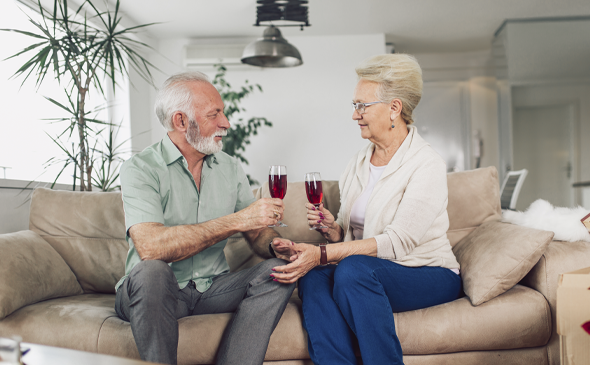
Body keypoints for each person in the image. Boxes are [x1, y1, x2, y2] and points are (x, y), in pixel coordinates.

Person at [271, 54, 462, 365]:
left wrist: (321, 253)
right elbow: (348, 233)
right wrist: (332, 229)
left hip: (428, 273)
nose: (355, 115)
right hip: (371, 271)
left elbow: (398, 243)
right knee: (313, 277)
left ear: (394, 109)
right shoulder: (359, 161)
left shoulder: (426, 164)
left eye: (362, 105)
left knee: (351, 270)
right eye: (354, 105)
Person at [114, 71, 296, 365]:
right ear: (181, 121)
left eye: (222, 112)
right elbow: (151, 248)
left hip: (211, 289)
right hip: (157, 291)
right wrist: (237, 220)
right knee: (152, 272)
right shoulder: (140, 169)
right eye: (215, 114)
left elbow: (257, 233)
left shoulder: (229, 167)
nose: (226, 123)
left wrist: (276, 245)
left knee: (278, 271)